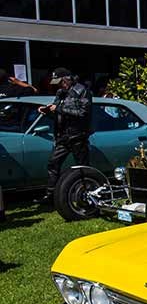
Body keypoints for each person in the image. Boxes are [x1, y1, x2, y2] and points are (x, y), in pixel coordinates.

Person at [36, 68, 93, 204]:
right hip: (63, 136)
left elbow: (83, 113)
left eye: (61, 82)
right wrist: (47, 110)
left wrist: (59, 109)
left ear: (68, 78)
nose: (60, 85)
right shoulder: (60, 93)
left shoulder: (82, 91)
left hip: (78, 135)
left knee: (82, 167)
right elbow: (57, 111)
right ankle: (51, 196)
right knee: (53, 163)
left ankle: (87, 194)